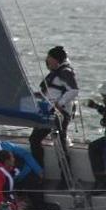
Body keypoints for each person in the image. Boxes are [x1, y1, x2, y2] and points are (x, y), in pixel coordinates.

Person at [30, 45, 78, 173]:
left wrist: (59, 103)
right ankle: (39, 170)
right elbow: (53, 91)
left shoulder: (65, 72)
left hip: (59, 114)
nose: (46, 60)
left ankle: (65, 177)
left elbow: (73, 90)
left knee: (59, 145)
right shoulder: (56, 72)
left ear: (56, 60)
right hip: (48, 112)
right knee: (35, 139)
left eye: (49, 58)